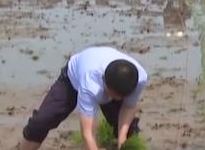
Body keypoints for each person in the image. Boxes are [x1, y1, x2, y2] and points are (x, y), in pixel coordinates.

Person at [19, 46, 148, 150]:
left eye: (122, 96)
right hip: (72, 79)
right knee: (42, 121)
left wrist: (122, 139)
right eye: (115, 96)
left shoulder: (139, 78)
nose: (118, 99)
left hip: (112, 81)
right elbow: (87, 133)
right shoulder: (90, 85)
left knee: (130, 131)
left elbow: (129, 106)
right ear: (105, 85)